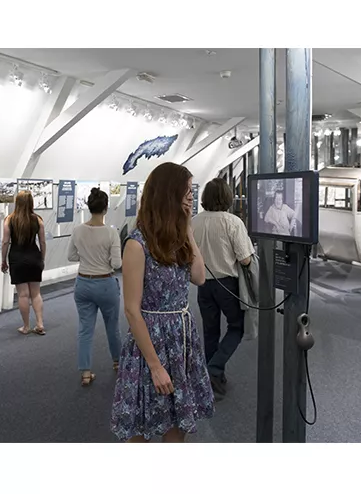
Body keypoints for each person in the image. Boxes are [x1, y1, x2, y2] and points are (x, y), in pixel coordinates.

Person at [111, 162, 214, 443]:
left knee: (176, 425)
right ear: (169, 194)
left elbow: (199, 277)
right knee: (141, 425)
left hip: (180, 340)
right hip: (150, 343)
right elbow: (132, 310)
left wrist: (189, 229)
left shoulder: (179, 238)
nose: (191, 196)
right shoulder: (137, 244)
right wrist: (155, 366)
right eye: (186, 191)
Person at [192, 178, 255, 399]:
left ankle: (214, 380)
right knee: (237, 327)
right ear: (227, 197)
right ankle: (214, 369)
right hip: (227, 284)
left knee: (210, 331)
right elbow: (245, 259)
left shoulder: (194, 222)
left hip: (202, 284)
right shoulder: (233, 222)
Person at [68, 188, 122, 387]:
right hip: (105, 284)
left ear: (89, 207)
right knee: (112, 326)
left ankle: (85, 372)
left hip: (83, 284)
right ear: (106, 209)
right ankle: (117, 362)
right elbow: (116, 264)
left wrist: (86, 256)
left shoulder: (78, 230)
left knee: (85, 329)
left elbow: (71, 256)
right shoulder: (111, 233)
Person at [1, 190, 46, 335]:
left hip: (17, 258)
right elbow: (43, 242)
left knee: (23, 295)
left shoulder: (9, 219)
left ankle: (26, 326)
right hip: (34, 257)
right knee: (36, 293)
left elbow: (5, 242)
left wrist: (3, 260)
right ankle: (40, 323)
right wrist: (42, 258)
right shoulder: (38, 219)